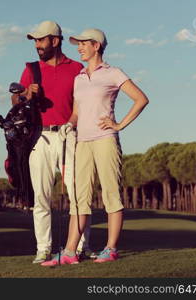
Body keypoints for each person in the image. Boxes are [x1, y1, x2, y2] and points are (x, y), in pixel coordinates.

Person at [42, 28, 149, 266]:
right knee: (79, 199)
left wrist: (119, 124)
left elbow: (141, 99)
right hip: (82, 142)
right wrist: (68, 125)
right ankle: (70, 252)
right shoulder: (79, 78)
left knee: (111, 194)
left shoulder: (113, 73)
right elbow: (77, 112)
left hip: (105, 140)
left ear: (96, 46)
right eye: (77, 44)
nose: (78, 47)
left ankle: (111, 249)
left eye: (83, 44)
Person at [11, 20, 92, 264]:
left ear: (54, 41)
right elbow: (15, 102)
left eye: (40, 40)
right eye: (34, 41)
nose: (37, 45)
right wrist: (25, 95)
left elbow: (86, 102)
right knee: (41, 198)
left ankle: (79, 247)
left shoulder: (77, 67)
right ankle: (43, 249)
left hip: (71, 135)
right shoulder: (31, 69)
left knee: (78, 194)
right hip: (40, 136)